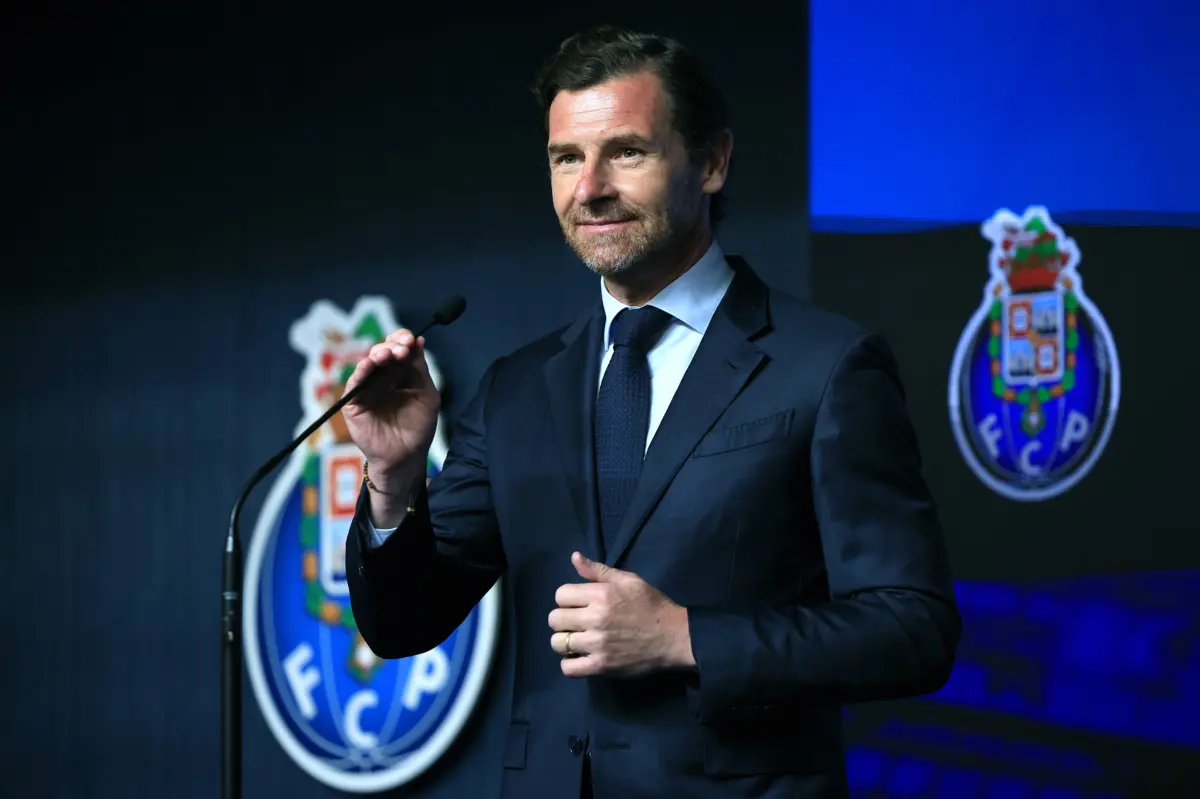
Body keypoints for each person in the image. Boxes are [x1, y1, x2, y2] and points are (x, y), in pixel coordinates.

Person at [341, 24, 960, 799]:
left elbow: (913, 630)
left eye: (625, 151)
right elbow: (400, 623)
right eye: (566, 158)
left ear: (711, 161)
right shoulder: (516, 386)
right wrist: (393, 480)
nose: (588, 187)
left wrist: (685, 637)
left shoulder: (827, 366)